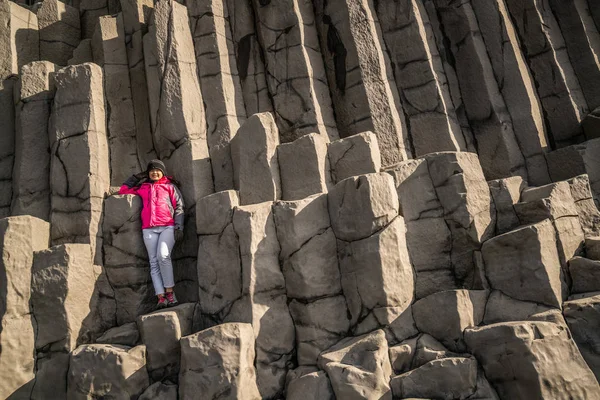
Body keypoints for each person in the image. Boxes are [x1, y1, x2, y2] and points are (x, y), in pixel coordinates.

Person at [119, 159, 184, 309]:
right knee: (153, 262)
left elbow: (179, 206)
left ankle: (170, 292)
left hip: (168, 226)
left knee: (163, 256)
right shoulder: (143, 187)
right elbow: (123, 190)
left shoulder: (170, 187)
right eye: (151, 170)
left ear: (163, 172)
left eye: (157, 170)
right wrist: (136, 178)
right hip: (148, 228)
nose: (154, 172)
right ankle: (160, 297)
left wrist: (179, 227)